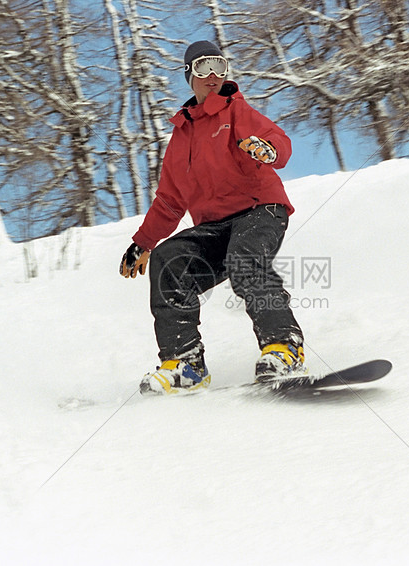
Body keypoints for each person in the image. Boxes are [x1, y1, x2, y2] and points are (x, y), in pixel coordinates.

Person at [119, 40, 305, 395]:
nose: (213, 75)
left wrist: (268, 150)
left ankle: (285, 348)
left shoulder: (236, 111)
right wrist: (142, 242)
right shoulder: (181, 137)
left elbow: (276, 139)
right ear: (189, 74)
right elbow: (171, 200)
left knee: (244, 260)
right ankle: (185, 364)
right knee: (168, 261)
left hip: (259, 209)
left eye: (220, 66)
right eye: (204, 67)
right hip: (213, 227)